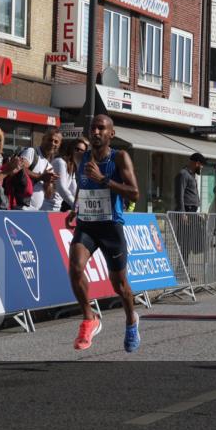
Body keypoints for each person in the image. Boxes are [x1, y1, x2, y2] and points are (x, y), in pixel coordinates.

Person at [68, 115, 142, 353]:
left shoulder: (119, 157)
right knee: (75, 267)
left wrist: (104, 180)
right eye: (93, 128)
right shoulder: (80, 157)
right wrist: (75, 208)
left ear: (111, 133)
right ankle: (89, 319)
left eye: (101, 128)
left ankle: (131, 321)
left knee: (120, 285)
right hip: (87, 224)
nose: (96, 132)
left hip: (111, 227)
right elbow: (82, 185)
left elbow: (134, 193)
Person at [18, 129, 62, 211]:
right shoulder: (31, 152)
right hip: (22, 208)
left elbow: (48, 195)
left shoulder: (49, 165)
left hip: (36, 211)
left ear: (59, 145)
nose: (52, 143)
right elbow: (19, 169)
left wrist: (49, 183)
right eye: (50, 140)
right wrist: (40, 176)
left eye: (56, 142)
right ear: (43, 139)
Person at [43, 137, 87, 212]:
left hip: (56, 208)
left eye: (82, 151)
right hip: (45, 207)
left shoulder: (72, 166)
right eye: (76, 149)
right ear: (71, 149)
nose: (78, 152)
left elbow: (74, 190)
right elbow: (62, 188)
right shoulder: (60, 162)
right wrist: (76, 206)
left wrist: (84, 205)